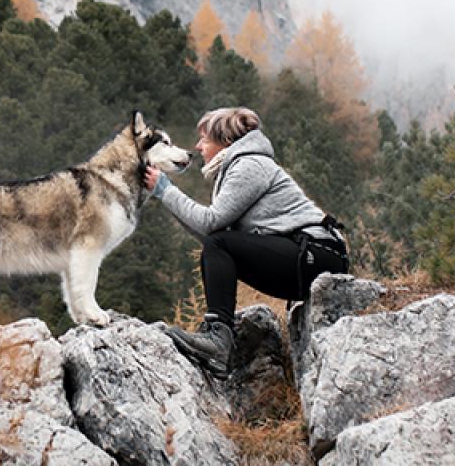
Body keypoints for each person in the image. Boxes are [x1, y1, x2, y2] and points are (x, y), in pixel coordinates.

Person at [143, 106, 348, 374]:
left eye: (204, 138)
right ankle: (217, 337)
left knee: (218, 243)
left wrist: (166, 190)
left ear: (226, 141)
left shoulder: (250, 164)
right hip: (305, 257)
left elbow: (210, 226)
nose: (197, 145)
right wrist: (164, 194)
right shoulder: (238, 166)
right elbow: (211, 234)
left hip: (317, 255)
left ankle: (218, 339)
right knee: (217, 243)